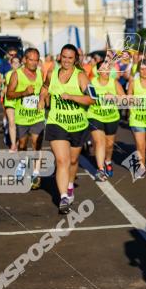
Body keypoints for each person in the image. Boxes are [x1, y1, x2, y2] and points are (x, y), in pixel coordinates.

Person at [39, 44, 94, 214]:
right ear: (59, 57)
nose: (67, 61)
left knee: (72, 161)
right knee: (62, 161)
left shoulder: (81, 76)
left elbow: (92, 99)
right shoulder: (51, 73)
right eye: (64, 57)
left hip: (78, 125)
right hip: (57, 122)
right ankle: (63, 197)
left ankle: (70, 185)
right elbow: (45, 86)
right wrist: (42, 99)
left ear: (75, 59)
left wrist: (71, 96)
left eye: (70, 58)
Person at [5, 48, 46, 190]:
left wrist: (42, 99)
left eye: (36, 60)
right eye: (31, 60)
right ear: (24, 60)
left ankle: (36, 173)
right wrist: (24, 92)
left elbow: (45, 89)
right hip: (22, 117)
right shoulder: (17, 74)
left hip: (37, 116)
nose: (34, 63)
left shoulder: (41, 74)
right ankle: (22, 164)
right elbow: (9, 94)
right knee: (23, 145)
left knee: (37, 143)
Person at [87, 58, 125, 182]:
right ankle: (100, 169)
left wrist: (113, 97)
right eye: (103, 69)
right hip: (95, 115)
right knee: (99, 142)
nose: (106, 71)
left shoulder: (114, 83)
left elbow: (124, 100)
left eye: (108, 68)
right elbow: (87, 99)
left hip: (111, 117)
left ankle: (108, 161)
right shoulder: (91, 83)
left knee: (109, 145)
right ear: (98, 71)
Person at [1, 55, 21, 151]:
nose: (16, 64)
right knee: (12, 122)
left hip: (19, 100)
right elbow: (7, 86)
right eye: (14, 63)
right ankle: (13, 144)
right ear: (11, 64)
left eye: (17, 62)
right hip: (10, 100)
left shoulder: (23, 74)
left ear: (20, 64)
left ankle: (17, 141)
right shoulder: (8, 74)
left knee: (19, 123)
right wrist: (3, 91)